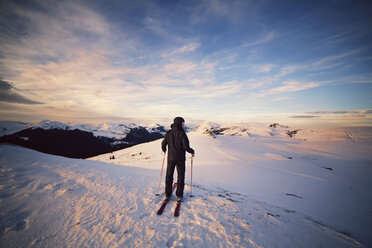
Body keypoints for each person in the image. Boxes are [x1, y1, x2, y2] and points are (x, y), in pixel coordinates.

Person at [161, 117, 194, 202]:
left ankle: (167, 193)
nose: (183, 125)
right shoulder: (182, 133)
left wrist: (164, 149)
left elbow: (163, 143)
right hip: (180, 159)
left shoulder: (169, 133)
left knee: (169, 175)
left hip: (171, 158)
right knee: (180, 176)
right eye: (183, 123)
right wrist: (192, 151)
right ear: (180, 123)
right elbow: (186, 147)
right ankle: (179, 195)